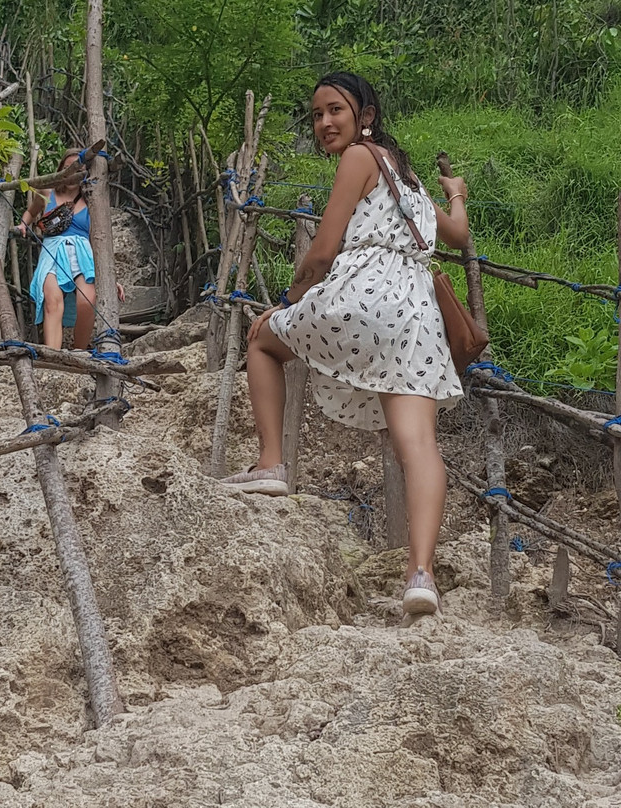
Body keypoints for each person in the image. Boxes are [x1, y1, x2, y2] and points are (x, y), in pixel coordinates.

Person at [219, 72, 470, 617]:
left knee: (263, 339)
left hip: (364, 294)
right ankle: (420, 574)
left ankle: (270, 466)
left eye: (335, 110)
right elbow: (458, 235)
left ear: (366, 116)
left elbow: (323, 250)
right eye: (316, 114)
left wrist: (289, 302)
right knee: (420, 444)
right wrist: (457, 195)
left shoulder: (359, 157)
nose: (325, 122)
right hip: (416, 312)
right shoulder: (411, 179)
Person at [19, 148, 123, 350]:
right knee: (53, 300)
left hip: (83, 253)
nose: (72, 173)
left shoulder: (92, 202)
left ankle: (79, 352)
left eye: (78, 169)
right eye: (67, 168)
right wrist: (23, 224)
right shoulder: (47, 192)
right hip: (53, 249)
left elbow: (98, 241)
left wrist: (113, 278)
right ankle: (53, 353)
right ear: (60, 170)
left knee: (88, 299)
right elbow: (31, 212)